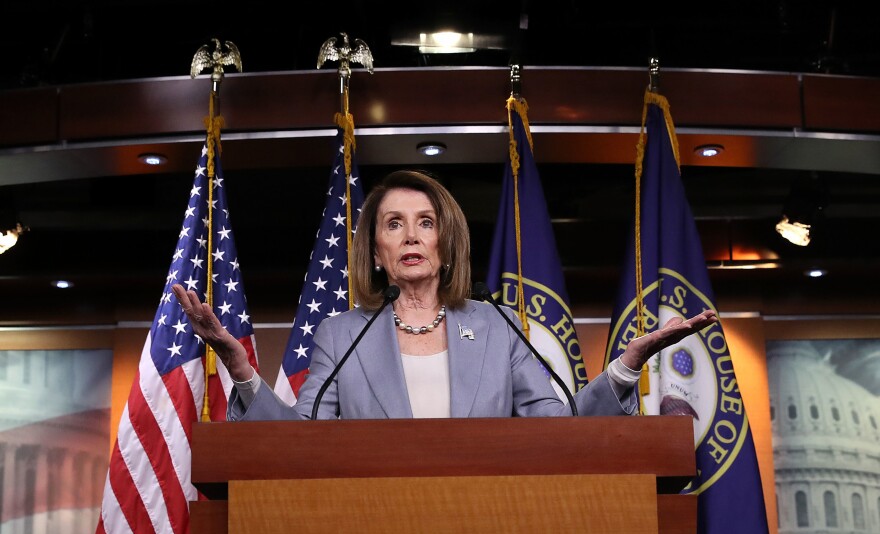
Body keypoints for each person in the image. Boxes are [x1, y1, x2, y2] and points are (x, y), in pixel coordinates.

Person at [172, 169, 718, 420]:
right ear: (377, 252)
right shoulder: (341, 334)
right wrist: (240, 367)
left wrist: (626, 365)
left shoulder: (498, 324)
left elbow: (561, 431)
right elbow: (296, 444)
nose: (410, 235)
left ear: (445, 245)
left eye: (425, 222)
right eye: (393, 225)